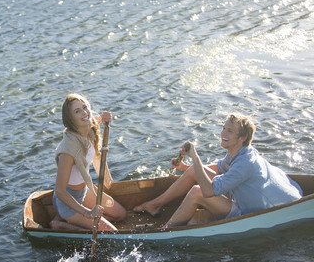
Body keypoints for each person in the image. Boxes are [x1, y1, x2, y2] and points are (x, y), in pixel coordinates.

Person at [134, 113, 303, 228]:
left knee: (197, 192)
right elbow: (217, 168)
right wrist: (185, 167)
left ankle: (163, 233)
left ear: (242, 137)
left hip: (259, 211)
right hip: (249, 195)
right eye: (223, 128)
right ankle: (154, 205)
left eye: (230, 131)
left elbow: (208, 191)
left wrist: (195, 156)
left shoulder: (245, 163)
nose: (223, 133)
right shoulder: (239, 152)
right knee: (195, 171)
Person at [50, 93, 127, 231]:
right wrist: (87, 213)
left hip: (83, 191)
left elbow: (94, 119)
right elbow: (60, 191)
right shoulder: (68, 150)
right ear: (70, 119)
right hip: (68, 203)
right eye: (77, 111)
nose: (84, 113)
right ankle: (62, 224)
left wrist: (104, 118)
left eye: (85, 107)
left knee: (121, 215)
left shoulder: (88, 129)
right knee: (112, 233)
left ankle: (74, 222)